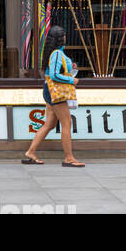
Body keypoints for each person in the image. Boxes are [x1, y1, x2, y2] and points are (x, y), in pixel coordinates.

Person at [22, 25, 86, 167]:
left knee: (49, 124)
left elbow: (55, 70)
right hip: (55, 93)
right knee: (67, 123)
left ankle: (30, 152)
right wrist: (71, 80)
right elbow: (54, 75)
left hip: (49, 91)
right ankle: (69, 158)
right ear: (60, 38)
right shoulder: (57, 53)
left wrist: (70, 66)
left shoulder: (55, 53)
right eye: (63, 35)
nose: (65, 37)